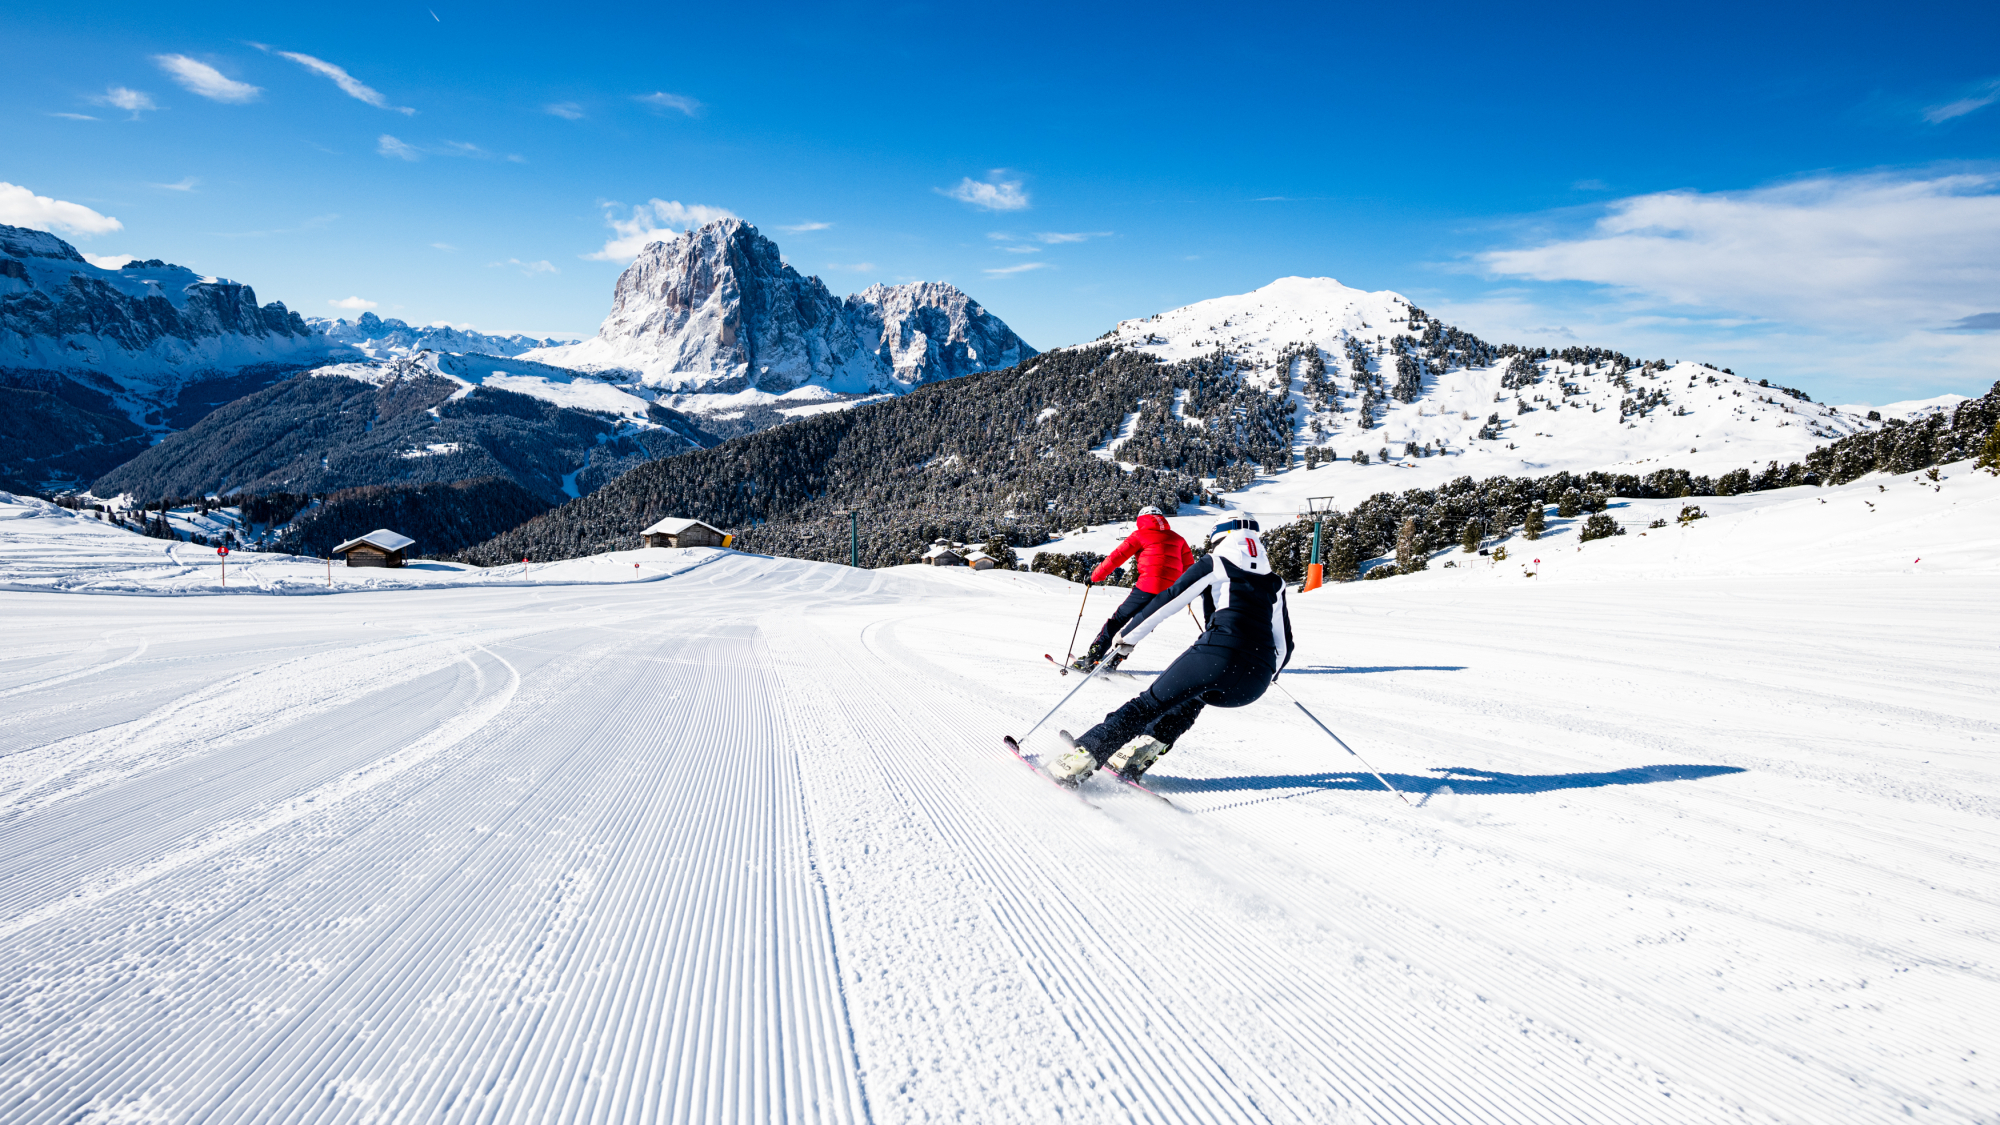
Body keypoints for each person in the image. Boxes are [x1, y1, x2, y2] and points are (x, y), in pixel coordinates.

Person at [1049, 517, 1293, 785]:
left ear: (1219, 539)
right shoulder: (1275, 582)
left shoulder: (1215, 563)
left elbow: (1170, 599)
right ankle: (1137, 757)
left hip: (1217, 655)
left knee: (1147, 705)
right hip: (1255, 682)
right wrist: (1270, 672)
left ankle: (1078, 760)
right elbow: (1284, 643)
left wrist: (1127, 637)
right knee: (1191, 699)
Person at [1072, 506, 1194, 672]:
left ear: (1141, 520)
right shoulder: (1178, 539)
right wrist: (1185, 592)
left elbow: (1116, 558)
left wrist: (1095, 576)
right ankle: (1114, 661)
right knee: (1140, 625)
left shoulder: (1140, 535)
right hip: (1170, 593)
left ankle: (1093, 658)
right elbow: (1189, 568)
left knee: (1119, 619)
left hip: (1147, 586)